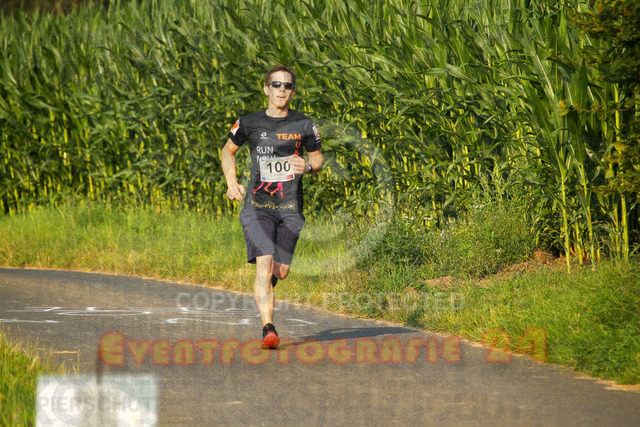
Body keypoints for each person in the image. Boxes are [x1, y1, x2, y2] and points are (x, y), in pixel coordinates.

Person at [221, 66, 323, 349]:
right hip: (257, 206)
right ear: (266, 89)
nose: (281, 90)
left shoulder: (305, 125)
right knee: (264, 265)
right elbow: (228, 150)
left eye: (287, 86)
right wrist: (231, 182)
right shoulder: (248, 123)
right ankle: (269, 328)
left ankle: (268, 284)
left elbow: (317, 158)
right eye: (276, 85)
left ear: (293, 92)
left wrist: (308, 167)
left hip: (290, 208)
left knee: (280, 271)